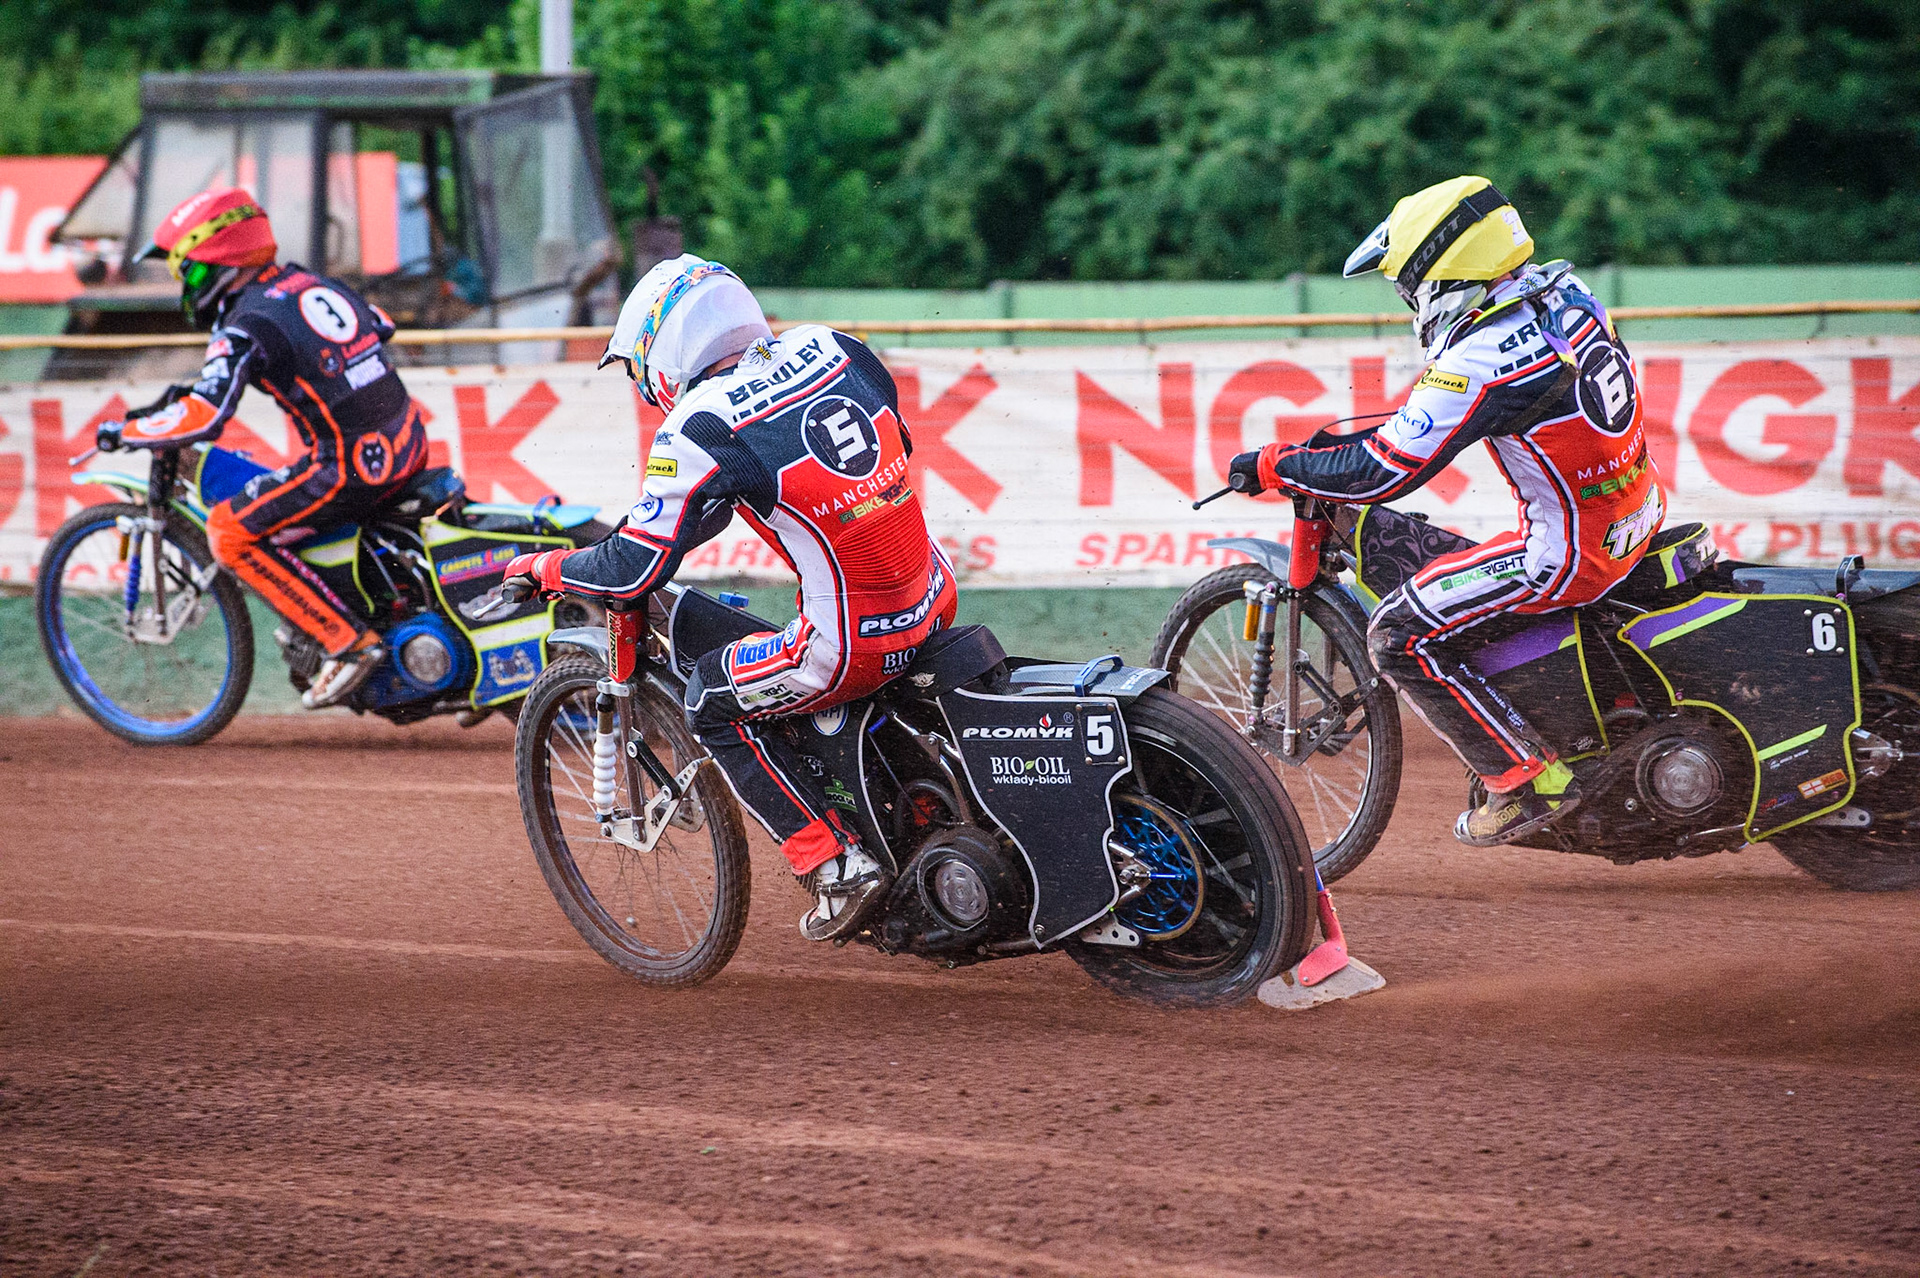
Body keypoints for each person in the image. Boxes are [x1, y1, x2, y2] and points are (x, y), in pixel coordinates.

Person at [502, 255, 956, 940]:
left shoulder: (700, 425)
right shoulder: (832, 345)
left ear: (664, 348)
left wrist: (548, 567)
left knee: (711, 700)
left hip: (852, 645)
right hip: (933, 589)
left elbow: (629, 569)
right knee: (790, 638)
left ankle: (834, 867)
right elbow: (892, 444)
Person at [1227, 176, 1663, 846]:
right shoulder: (1564, 296)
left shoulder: (1482, 357)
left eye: (1410, 286)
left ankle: (1524, 783)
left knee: (1396, 632)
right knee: (1450, 564)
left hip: (1569, 558)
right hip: (1636, 514)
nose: (1410, 301)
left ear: (1444, 277)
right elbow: (1428, 430)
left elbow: (1383, 472)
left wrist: (1279, 464)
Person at [95, 187, 427, 708]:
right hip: (408, 443)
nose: (186, 284)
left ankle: (348, 644)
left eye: (187, 271)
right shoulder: (310, 281)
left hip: (349, 469)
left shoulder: (243, 324)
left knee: (228, 531)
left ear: (213, 261)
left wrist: (127, 432)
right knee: (282, 488)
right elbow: (378, 324)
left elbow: (206, 413)